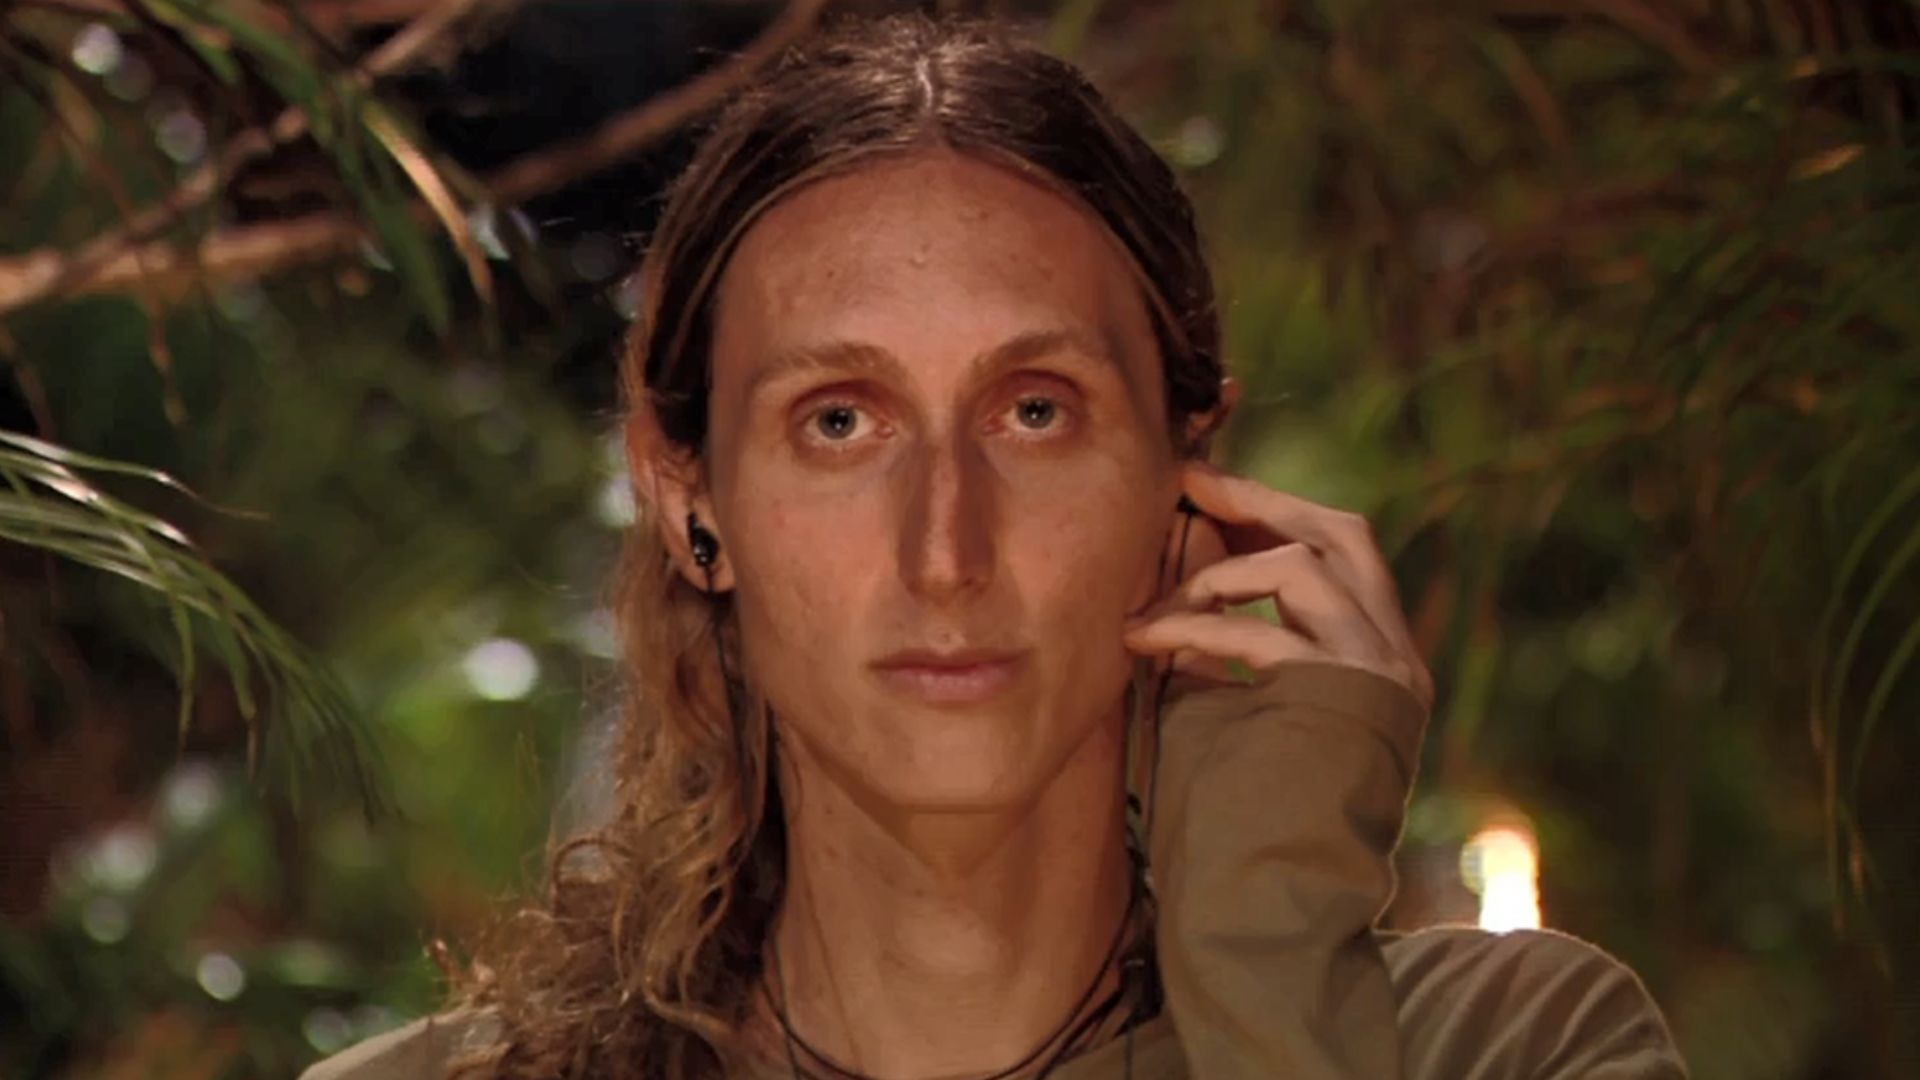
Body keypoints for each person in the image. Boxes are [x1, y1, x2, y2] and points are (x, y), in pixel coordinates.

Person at [304, 12, 1687, 1080]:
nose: (945, 549)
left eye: (1035, 412)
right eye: (840, 422)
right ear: (689, 503)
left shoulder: (1509, 1045)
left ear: (1188, 478)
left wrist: (1271, 963)